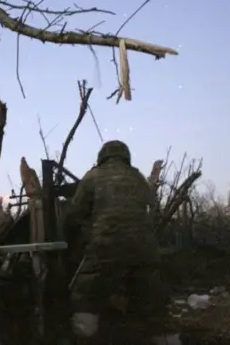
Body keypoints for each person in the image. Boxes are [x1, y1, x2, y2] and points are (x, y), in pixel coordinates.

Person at [62, 140, 171, 344]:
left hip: (105, 246)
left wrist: (71, 236)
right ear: (126, 157)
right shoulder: (138, 177)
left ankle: (85, 335)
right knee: (153, 298)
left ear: (102, 156)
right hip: (144, 249)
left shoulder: (93, 176)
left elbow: (75, 214)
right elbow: (151, 206)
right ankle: (167, 338)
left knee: (85, 292)